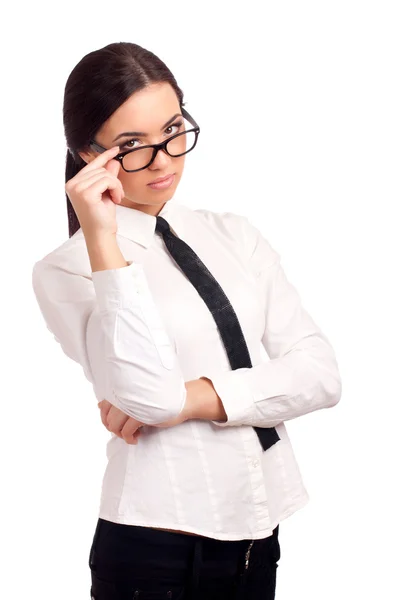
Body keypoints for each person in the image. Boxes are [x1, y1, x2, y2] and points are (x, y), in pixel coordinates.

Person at [31, 41, 342, 599]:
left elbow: (320, 374)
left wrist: (193, 399)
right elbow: (146, 394)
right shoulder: (67, 270)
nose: (164, 160)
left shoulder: (235, 235)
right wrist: (101, 236)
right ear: (87, 153)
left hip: (258, 534)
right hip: (154, 548)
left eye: (173, 130)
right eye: (132, 145)